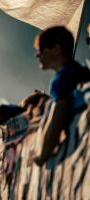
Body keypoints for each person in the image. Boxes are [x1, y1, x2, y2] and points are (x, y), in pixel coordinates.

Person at [33, 26, 90, 166]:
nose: (37, 55)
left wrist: (42, 155)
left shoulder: (62, 78)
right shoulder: (80, 71)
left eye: (40, 49)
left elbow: (57, 119)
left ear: (57, 49)